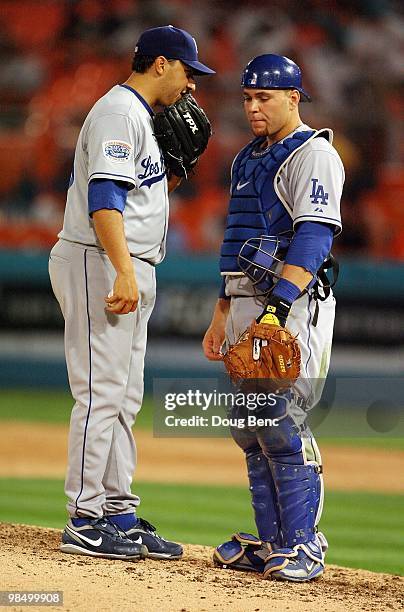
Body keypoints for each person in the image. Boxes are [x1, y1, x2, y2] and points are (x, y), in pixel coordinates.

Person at [49, 25, 214, 561]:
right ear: (161, 63)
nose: (192, 86)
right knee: (99, 394)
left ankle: (117, 509)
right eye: (189, 72)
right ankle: (85, 517)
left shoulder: (140, 117)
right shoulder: (119, 112)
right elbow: (104, 200)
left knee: (124, 397)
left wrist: (173, 175)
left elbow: (138, 196)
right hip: (100, 260)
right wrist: (122, 270)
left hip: (126, 262)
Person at [203, 54, 344, 582]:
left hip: (290, 303)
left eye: (264, 97)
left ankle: (305, 545)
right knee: (249, 426)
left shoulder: (314, 154)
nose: (254, 107)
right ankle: (273, 543)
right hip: (242, 301)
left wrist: (277, 311)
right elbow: (236, 238)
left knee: (283, 422)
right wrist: (222, 313)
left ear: (294, 98)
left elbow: (313, 236)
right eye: (247, 98)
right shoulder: (247, 158)